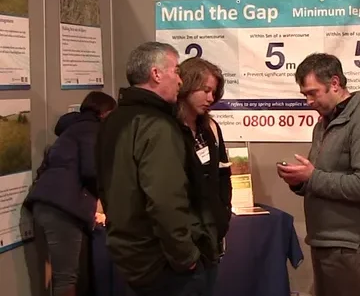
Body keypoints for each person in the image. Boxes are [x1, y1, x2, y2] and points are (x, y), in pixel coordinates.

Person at [96, 42, 208, 296]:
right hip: (162, 263)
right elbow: (165, 200)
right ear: (156, 74)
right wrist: (185, 255)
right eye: (176, 71)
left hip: (128, 256)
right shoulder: (157, 126)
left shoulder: (112, 120)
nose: (181, 81)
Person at [276, 53, 360, 296]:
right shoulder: (323, 124)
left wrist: (312, 177)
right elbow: (320, 177)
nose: (308, 100)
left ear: (335, 83)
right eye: (304, 94)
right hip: (325, 242)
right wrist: (299, 181)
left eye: (312, 92)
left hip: (348, 248)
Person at [24, 91, 116, 296]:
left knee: (57, 274)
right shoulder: (92, 130)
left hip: (44, 205)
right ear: (105, 113)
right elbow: (92, 171)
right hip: (62, 210)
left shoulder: (71, 129)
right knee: (66, 277)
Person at [176, 57, 233, 295]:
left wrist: (223, 214)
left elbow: (223, 176)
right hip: (183, 239)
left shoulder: (211, 127)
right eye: (205, 90)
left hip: (211, 236)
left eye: (214, 92)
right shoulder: (167, 128)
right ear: (187, 86)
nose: (211, 98)